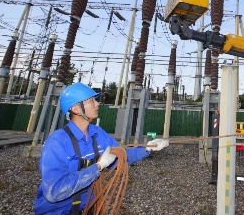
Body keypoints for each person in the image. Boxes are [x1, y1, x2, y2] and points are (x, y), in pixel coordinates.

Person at [34, 83, 168, 215]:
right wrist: (98, 166)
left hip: (89, 207)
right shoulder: (57, 142)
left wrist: (148, 148)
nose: (97, 104)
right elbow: (54, 191)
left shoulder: (97, 134)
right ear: (75, 109)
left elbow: (121, 155)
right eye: (91, 101)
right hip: (58, 211)